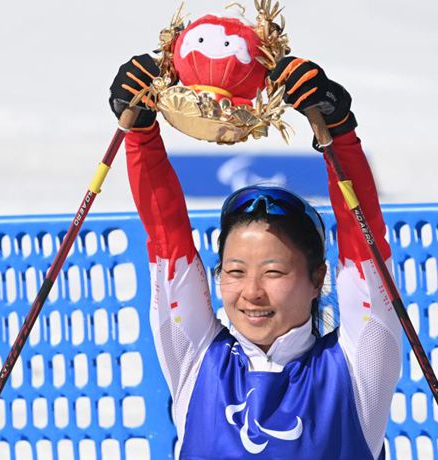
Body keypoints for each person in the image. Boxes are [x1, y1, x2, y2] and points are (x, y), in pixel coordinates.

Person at [109, 51, 403, 460]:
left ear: (318, 279)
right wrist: (140, 130)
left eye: (274, 271)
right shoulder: (196, 358)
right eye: (235, 271)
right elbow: (166, 236)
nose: (252, 292)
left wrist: (337, 130)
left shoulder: (359, 369)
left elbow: (364, 245)